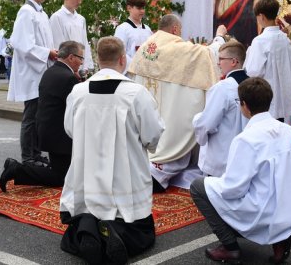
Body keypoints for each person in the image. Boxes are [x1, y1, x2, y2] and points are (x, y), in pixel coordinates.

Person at [59, 36, 164, 264]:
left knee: (85, 214)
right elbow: (153, 134)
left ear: (98, 59)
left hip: (87, 174)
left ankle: (88, 228)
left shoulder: (78, 91)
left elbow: (70, 129)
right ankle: (113, 234)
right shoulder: (136, 93)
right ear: (123, 59)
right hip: (125, 177)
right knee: (140, 231)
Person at [190, 77, 291, 264]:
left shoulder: (246, 139)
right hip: (290, 210)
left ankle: (230, 248)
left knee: (198, 186)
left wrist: (216, 182)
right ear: (269, 101)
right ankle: (280, 238)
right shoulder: (288, 131)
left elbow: (232, 189)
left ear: (243, 105)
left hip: (261, 213)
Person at [129, 14, 226, 191]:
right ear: (175, 29)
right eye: (180, 30)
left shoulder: (146, 46)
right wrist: (219, 37)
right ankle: (158, 172)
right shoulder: (177, 49)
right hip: (168, 118)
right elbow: (208, 54)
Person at [0, 41, 82, 191]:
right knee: (61, 177)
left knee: (65, 172)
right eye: (80, 58)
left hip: (48, 131)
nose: (81, 62)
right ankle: (16, 169)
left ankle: (18, 169)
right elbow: (78, 106)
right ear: (71, 57)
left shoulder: (51, 71)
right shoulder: (68, 77)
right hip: (60, 137)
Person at [7, 0, 58, 167]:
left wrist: (50, 52)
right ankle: (28, 156)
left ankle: (36, 153)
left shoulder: (42, 13)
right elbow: (22, 44)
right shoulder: (26, 12)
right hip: (30, 72)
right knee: (31, 116)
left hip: (41, 70)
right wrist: (48, 53)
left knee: (38, 116)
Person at [245, 0, 291, 124]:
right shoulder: (285, 39)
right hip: (284, 95)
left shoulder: (260, 41)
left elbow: (253, 71)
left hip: (266, 95)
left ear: (261, 16)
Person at [192, 40, 249, 177]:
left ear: (234, 61)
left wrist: (197, 119)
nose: (218, 63)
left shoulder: (222, 88)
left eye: (221, 59)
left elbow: (206, 124)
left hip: (222, 158)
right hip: (245, 157)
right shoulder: (253, 84)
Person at [50, 0, 94, 75]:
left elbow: (84, 43)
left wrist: (85, 67)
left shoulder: (81, 19)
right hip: (66, 69)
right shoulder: (57, 17)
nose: (79, 2)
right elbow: (59, 46)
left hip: (80, 68)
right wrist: (72, 69)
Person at [114, 0, 153, 71]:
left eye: (143, 8)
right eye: (139, 8)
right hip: (130, 72)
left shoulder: (147, 29)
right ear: (129, 8)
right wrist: (136, 65)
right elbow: (119, 52)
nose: (142, 11)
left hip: (146, 71)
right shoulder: (122, 29)